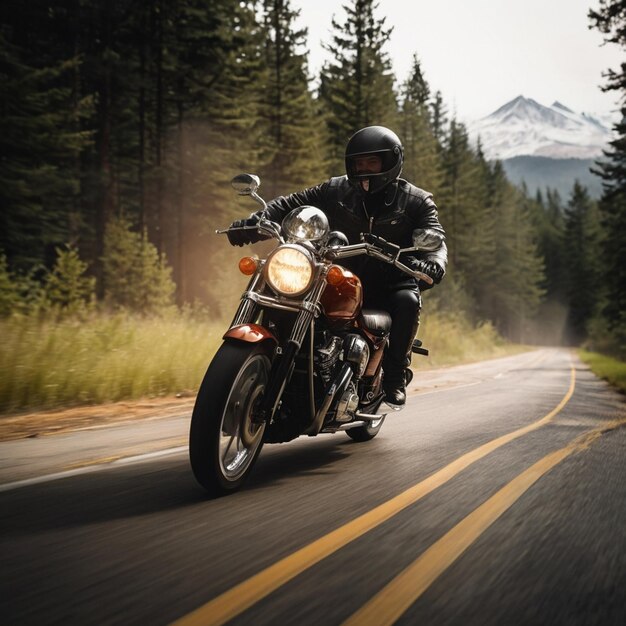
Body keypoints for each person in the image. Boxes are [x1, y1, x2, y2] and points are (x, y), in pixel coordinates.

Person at [227, 125, 447, 407]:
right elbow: (289, 203)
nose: (364, 169)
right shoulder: (335, 189)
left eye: (372, 162)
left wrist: (432, 263)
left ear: (390, 162)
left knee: (407, 300)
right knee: (281, 284)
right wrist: (256, 221)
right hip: (337, 275)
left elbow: (436, 238)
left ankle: (394, 375)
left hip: (391, 279)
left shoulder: (416, 201)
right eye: (359, 163)